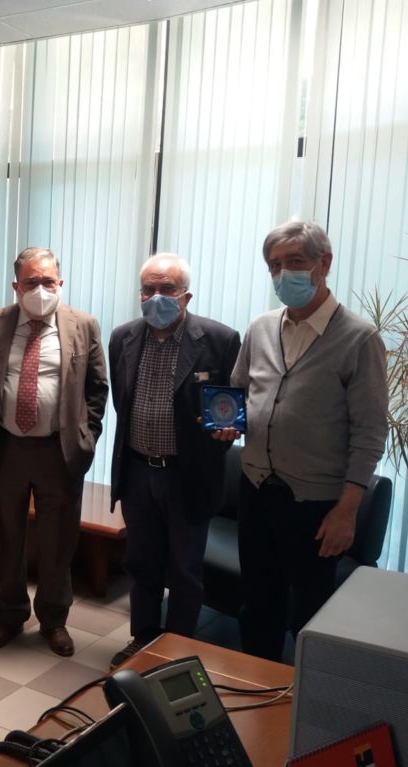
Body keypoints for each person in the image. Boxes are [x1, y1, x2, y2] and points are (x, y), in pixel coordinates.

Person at [216, 220, 388, 661]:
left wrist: (346, 512)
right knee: (257, 605)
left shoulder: (359, 338)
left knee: (310, 613)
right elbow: (239, 391)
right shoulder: (260, 328)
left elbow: (369, 432)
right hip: (256, 491)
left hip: (316, 505)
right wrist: (229, 422)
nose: (283, 273)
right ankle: (257, 684)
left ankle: (301, 695)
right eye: (274, 265)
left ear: (323, 264)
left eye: (294, 261)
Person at [0, 247, 108, 657]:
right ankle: (10, 615)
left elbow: (97, 388)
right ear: (16, 286)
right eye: (31, 282)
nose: (41, 289)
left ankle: (54, 620)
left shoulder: (83, 325)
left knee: (58, 540)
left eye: (48, 281)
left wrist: (86, 436)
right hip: (7, 447)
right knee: (8, 536)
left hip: (58, 451)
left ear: (60, 282)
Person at [108, 253, 241, 668]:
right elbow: (122, 403)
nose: (156, 297)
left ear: (186, 295)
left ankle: (177, 649)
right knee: (141, 564)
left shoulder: (220, 340)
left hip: (189, 475)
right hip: (137, 471)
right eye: (148, 289)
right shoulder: (122, 337)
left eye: (167, 289)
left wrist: (227, 433)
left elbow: (232, 407)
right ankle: (142, 638)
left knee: (185, 570)